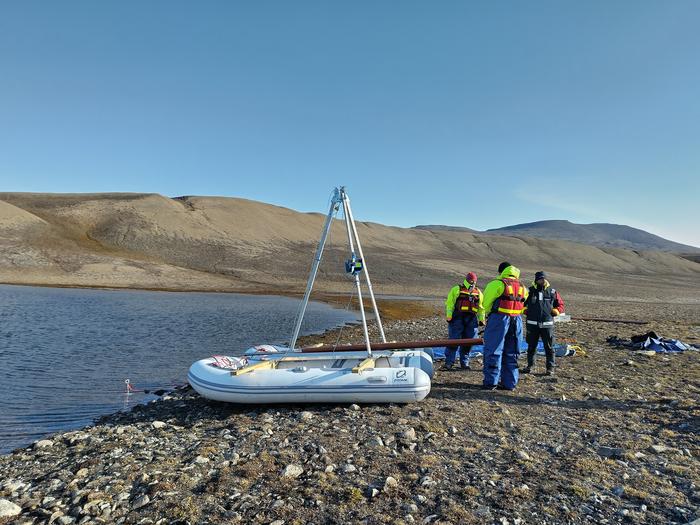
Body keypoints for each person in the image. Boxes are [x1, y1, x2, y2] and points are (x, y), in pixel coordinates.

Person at [481, 261, 528, 390]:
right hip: (517, 321)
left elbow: (485, 304)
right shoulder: (523, 287)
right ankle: (510, 383)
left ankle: (491, 382)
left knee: (493, 350)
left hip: (499, 319)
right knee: (513, 352)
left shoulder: (497, 284)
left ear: (501, 272)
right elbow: (524, 305)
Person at [522, 271, 565, 376]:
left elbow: (561, 305)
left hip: (547, 324)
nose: (542, 280)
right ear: (536, 280)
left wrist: (557, 311)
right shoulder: (529, 291)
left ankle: (550, 368)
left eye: (544, 278)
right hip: (532, 324)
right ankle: (530, 366)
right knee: (531, 346)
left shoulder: (552, 292)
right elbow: (520, 303)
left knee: (549, 347)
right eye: (540, 279)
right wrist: (524, 310)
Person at [443, 272, 484, 370]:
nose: (472, 282)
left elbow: (481, 307)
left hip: (471, 318)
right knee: (454, 340)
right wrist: (449, 316)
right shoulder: (457, 289)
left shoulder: (478, 292)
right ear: (467, 279)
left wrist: (482, 319)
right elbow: (450, 303)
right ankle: (449, 362)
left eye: (474, 281)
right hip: (457, 317)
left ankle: (464, 363)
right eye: (471, 280)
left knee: (469, 341)